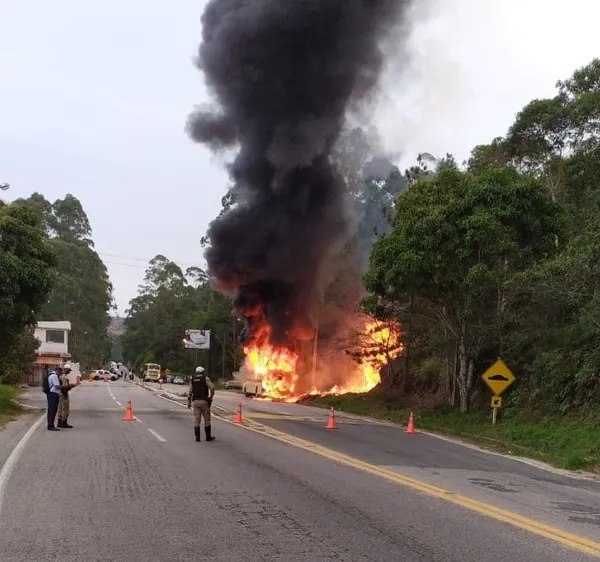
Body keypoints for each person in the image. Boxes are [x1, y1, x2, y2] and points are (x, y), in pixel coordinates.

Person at [187, 366, 215, 442]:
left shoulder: (192, 379)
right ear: (203, 372)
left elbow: (190, 392)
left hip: (195, 402)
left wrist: (189, 403)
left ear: (196, 372)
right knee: (207, 420)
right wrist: (210, 397)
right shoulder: (205, 378)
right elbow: (212, 388)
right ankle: (208, 437)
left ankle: (197, 438)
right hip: (204, 402)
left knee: (197, 420)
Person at [57, 363, 75, 428]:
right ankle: (64, 423)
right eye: (69, 370)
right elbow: (65, 387)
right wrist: (71, 386)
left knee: (60, 408)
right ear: (66, 369)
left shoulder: (61, 376)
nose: (69, 371)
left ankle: (59, 422)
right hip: (63, 394)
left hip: (60, 394)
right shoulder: (65, 377)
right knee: (65, 409)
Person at [46, 367, 63, 431]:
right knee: (53, 410)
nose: (60, 374)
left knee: (51, 410)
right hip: (53, 394)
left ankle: (50, 425)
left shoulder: (50, 375)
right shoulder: (54, 376)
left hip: (51, 394)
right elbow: (57, 386)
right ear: (58, 371)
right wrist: (65, 387)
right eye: (60, 373)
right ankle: (51, 426)